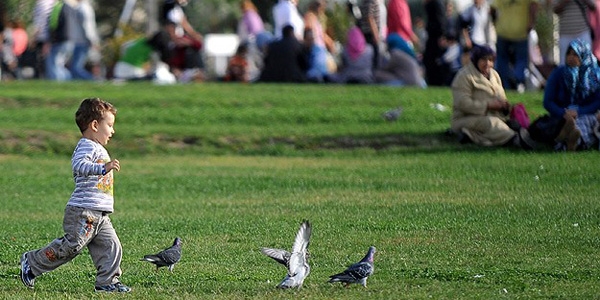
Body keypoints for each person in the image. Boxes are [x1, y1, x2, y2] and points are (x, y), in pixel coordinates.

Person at [19, 98, 130, 293]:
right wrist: (103, 168)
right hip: (83, 211)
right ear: (95, 125)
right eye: (110, 125)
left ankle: (107, 282)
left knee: (111, 246)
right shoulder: (87, 145)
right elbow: (78, 165)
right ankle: (32, 262)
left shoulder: (98, 147)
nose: (112, 131)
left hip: (99, 213)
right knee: (72, 246)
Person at [451, 45, 535, 149]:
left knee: (511, 123)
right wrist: (487, 105)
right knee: (491, 123)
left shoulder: (494, 75)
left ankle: (471, 135)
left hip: (495, 117)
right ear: (476, 59)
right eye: (483, 59)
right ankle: (515, 139)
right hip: (465, 119)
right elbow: (462, 103)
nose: (487, 63)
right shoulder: (464, 76)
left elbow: (502, 97)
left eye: (490, 60)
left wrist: (504, 106)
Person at [542, 39, 600, 150]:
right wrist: (563, 113)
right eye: (568, 53)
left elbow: (598, 102)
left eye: (575, 54)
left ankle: (569, 141)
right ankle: (572, 140)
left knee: (586, 122)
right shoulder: (559, 73)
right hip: (562, 115)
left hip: (586, 114)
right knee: (568, 124)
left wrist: (579, 112)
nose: (571, 57)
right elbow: (547, 101)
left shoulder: (594, 76)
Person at [491, 0, 538, 92]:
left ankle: (506, 85)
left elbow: (492, 9)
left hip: (503, 30)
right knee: (520, 60)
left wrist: (495, 22)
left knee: (502, 60)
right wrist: (531, 22)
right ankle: (517, 82)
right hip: (520, 32)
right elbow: (534, 6)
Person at [160, 0, 204, 80]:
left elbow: (184, 23)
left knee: (197, 45)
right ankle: (181, 74)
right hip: (173, 41)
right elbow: (169, 26)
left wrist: (194, 35)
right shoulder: (170, 7)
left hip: (180, 38)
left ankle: (195, 71)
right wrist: (176, 40)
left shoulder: (179, 8)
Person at [553, 0, 596, 65]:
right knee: (564, 65)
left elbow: (593, 7)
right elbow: (556, 10)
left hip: (583, 33)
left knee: (586, 63)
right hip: (565, 34)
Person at [67, 0, 100, 80]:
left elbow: (87, 26)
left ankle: (93, 80)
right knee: (75, 67)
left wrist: (92, 40)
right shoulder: (81, 8)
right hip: (79, 41)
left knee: (75, 68)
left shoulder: (83, 8)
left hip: (82, 42)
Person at [423, 0, 447, 86]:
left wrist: (441, 36)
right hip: (434, 36)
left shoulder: (435, 3)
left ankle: (435, 83)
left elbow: (440, 22)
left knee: (432, 62)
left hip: (435, 38)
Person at [357, 0, 381, 69]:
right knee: (375, 58)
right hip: (370, 34)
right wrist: (375, 34)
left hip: (367, 33)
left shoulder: (364, 2)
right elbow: (370, 17)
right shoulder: (370, 1)